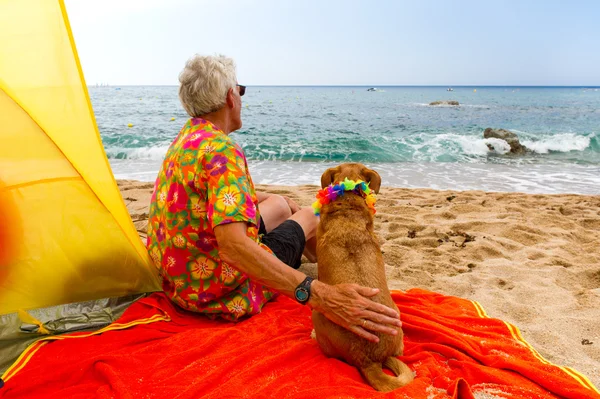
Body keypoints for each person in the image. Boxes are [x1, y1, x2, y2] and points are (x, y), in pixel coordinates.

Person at [146, 54, 401, 343]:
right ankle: (337, 275)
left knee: (281, 204)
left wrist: (268, 197)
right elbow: (233, 248)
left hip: (182, 280)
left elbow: (206, 196)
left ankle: (328, 261)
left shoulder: (189, 139)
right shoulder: (222, 151)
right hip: (217, 292)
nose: (241, 98)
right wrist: (316, 294)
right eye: (240, 90)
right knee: (310, 214)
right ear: (230, 96)